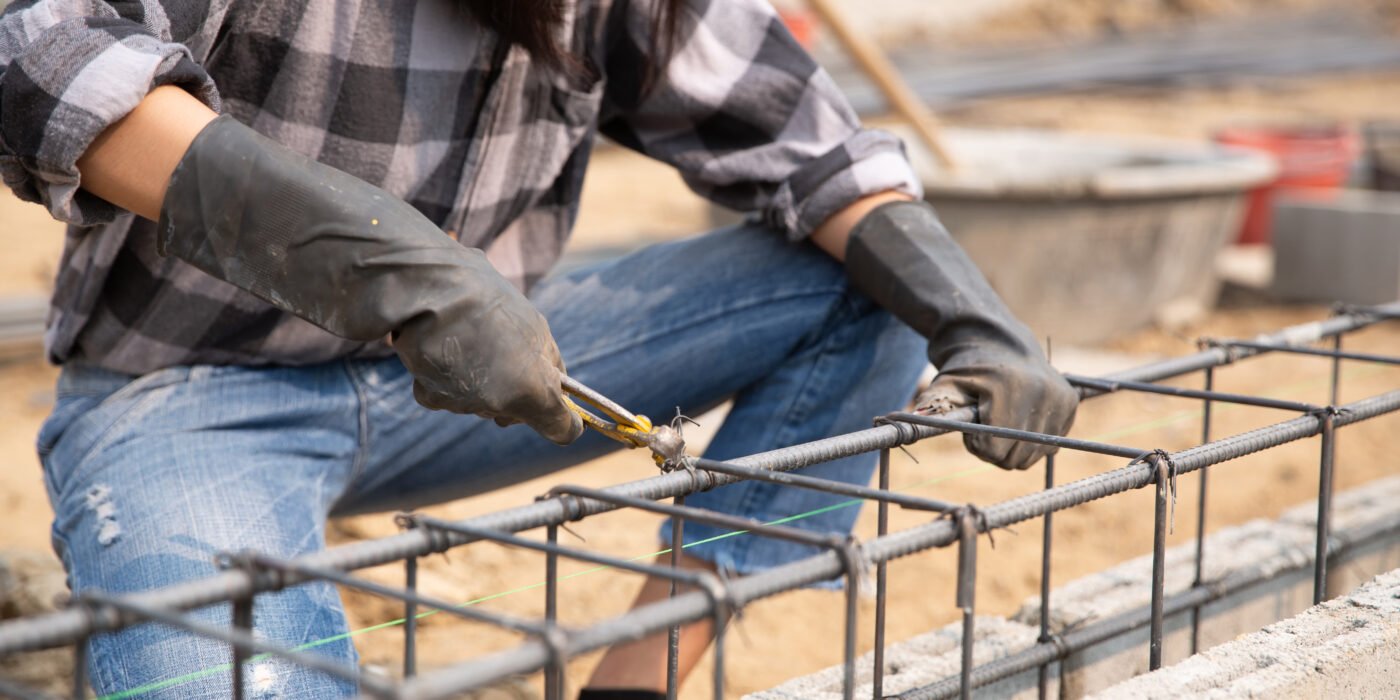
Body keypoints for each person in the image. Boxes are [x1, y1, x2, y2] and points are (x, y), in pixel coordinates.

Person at [0, 0, 1079, 696]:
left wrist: (964, 304)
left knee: (864, 288)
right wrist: (391, 270)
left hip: (487, 372)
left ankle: (632, 684)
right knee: (220, 681)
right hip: (194, 391)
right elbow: (44, 60)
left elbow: (809, 146)